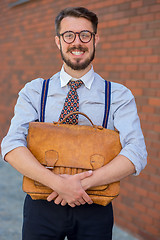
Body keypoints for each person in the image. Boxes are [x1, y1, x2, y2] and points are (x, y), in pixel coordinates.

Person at [1, 7, 147, 240]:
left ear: (96, 39)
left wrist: (80, 186)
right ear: (58, 41)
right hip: (42, 205)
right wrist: (58, 184)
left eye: (85, 35)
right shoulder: (34, 91)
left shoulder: (119, 95)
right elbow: (11, 146)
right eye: (68, 35)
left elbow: (137, 152)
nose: (76, 42)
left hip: (95, 206)